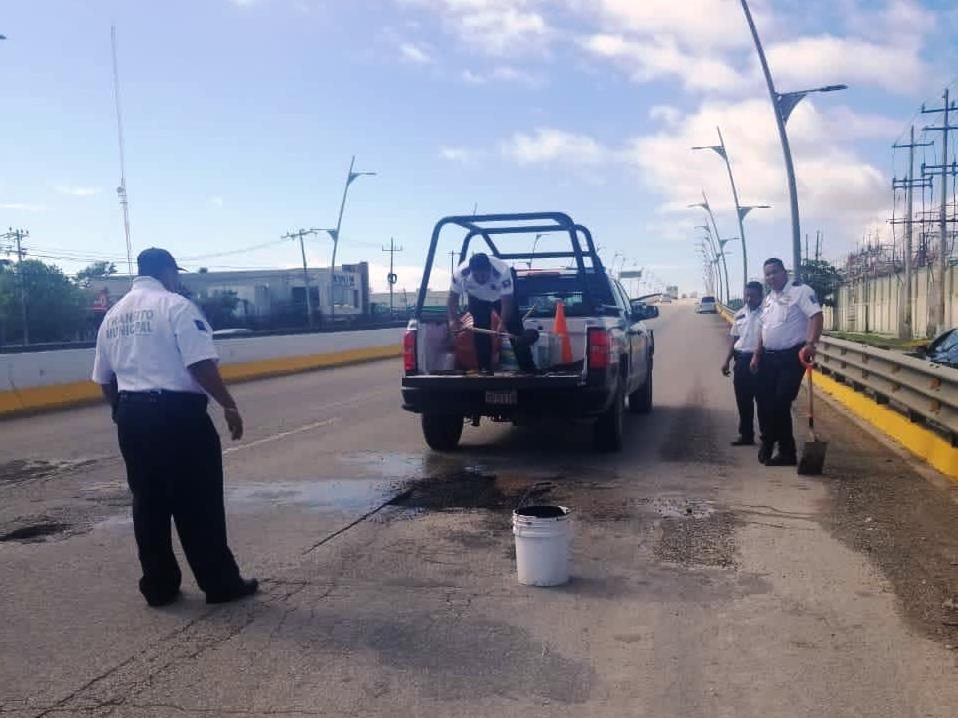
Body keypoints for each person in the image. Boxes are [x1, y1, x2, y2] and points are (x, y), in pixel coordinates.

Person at [92, 248, 258, 607]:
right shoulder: (176, 306)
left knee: (148, 503)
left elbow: (104, 379)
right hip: (178, 417)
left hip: (132, 416)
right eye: (175, 274)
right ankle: (219, 583)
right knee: (198, 500)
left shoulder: (113, 316)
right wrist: (228, 405)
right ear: (167, 272)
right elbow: (200, 365)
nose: (177, 280)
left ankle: (159, 586)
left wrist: (122, 412)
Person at [749, 258, 824, 466]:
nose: (771, 277)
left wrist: (811, 343)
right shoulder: (769, 298)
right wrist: (757, 354)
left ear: (784, 272)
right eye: (767, 274)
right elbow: (764, 329)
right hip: (768, 357)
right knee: (765, 403)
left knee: (781, 402)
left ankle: (778, 447)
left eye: (774, 272)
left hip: (792, 357)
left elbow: (816, 316)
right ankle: (777, 446)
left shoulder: (800, 291)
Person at [447, 252, 535, 374]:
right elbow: (452, 299)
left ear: (490, 270)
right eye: (477, 276)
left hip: (501, 298)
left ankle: (528, 370)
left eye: (484, 275)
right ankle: (485, 370)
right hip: (477, 298)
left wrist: (503, 323)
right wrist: (452, 320)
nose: (481, 279)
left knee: (515, 330)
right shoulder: (460, 274)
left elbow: (507, 302)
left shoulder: (502, 271)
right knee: (480, 332)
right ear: (471, 271)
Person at [722, 281, 765, 446]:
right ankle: (746, 435)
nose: (748, 299)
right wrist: (726, 361)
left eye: (752, 296)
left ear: (761, 296)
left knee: (763, 401)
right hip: (741, 359)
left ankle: (766, 436)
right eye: (746, 295)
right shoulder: (739, 314)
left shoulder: (767, 314)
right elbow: (734, 340)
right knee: (743, 400)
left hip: (761, 359)